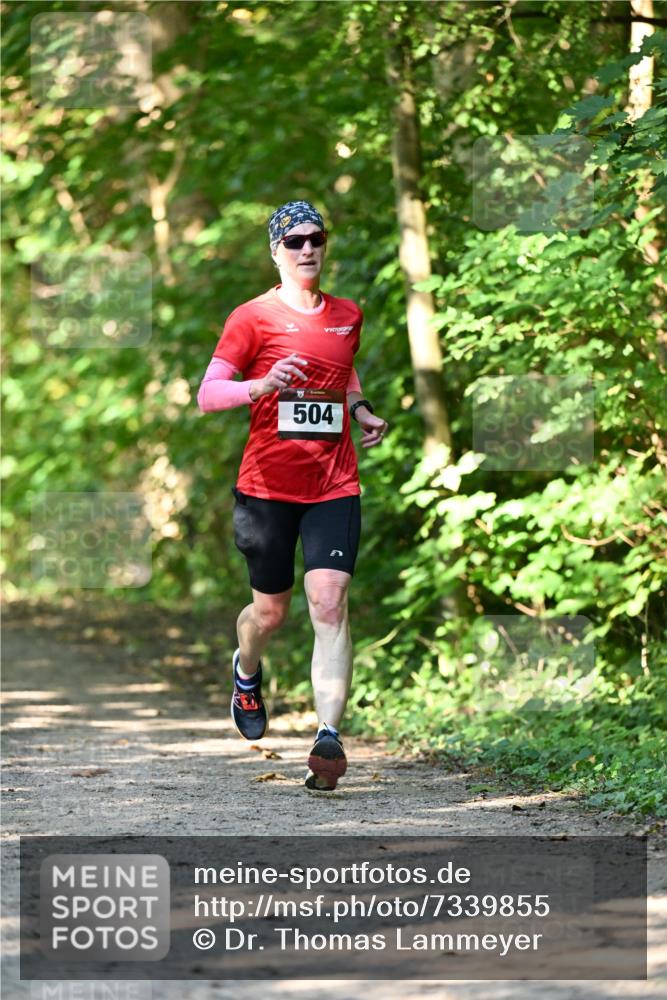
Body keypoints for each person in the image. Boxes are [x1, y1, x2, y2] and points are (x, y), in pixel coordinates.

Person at [197, 199, 388, 791]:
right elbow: (208, 394)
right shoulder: (251, 318)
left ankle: (327, 737)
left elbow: (342, 371)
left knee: (329, 601)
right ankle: (246, 669)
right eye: (296, 241)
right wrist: (260, 384)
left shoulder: (347, 314)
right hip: (266, 489)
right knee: (270, 614)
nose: (308, 249)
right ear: (276, 251)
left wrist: (359, 409)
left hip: (334, 481)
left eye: (317, 239)